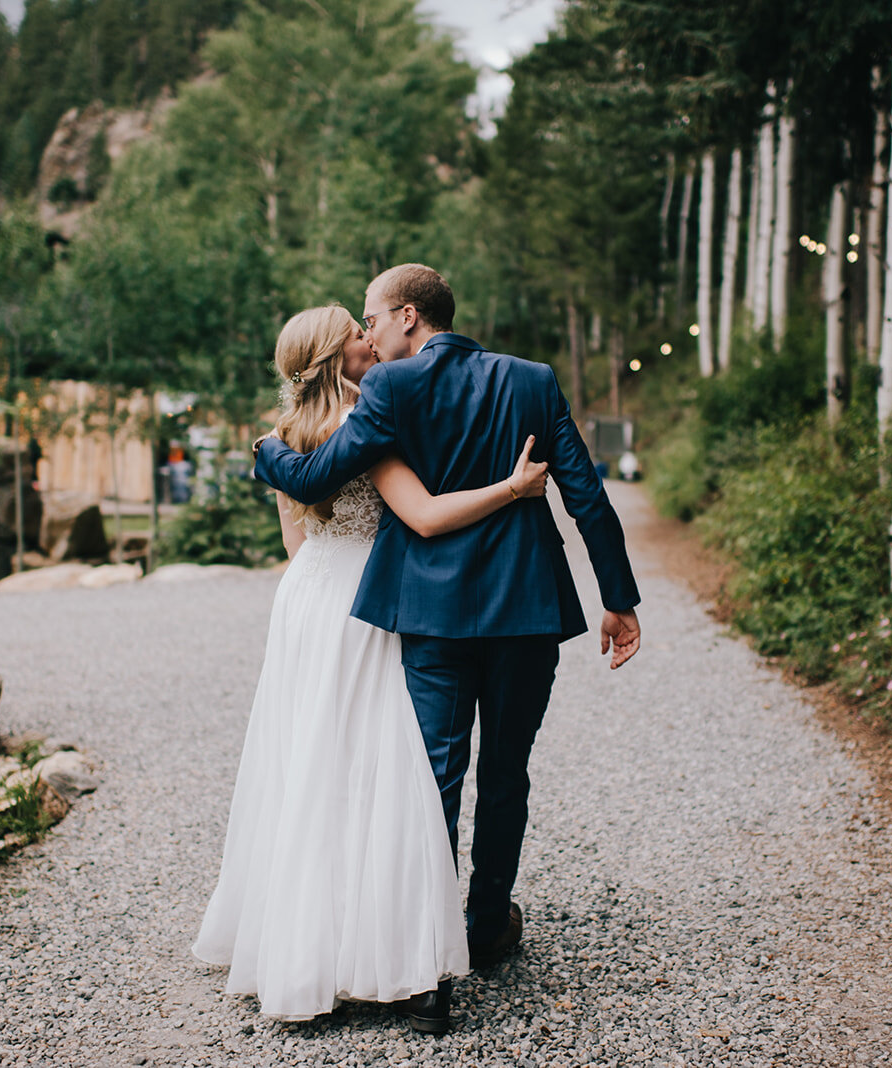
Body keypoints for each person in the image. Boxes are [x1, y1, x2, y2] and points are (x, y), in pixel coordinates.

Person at [253, 264, 641, 1033]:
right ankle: (487, 923)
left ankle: (427, 972)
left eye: (371, 319)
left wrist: (265, 457)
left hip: (431, 619)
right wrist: (618, 600)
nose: (366, 335)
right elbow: (585, 493)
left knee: (430, 777)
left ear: (406, 316)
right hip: (528, 613)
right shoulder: (531, 379)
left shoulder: (392, 391)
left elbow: (317, 472)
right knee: (506, 772)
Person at [193, 306, 550, 1031]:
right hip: (371, 602)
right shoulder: (374, 422)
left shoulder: (281, 438)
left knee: (310, 774)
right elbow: (422, 516)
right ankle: (396, 956)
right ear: (337, 354)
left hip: (307, 602)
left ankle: (300, 949)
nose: (370, 336)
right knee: (390, 778)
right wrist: (513, 490)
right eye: (357, 332)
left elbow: (295, 541)